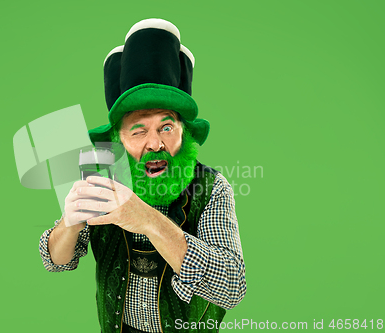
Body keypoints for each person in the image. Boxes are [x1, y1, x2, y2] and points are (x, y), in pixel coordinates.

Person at [39, 19, 246, 333]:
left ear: (185, 134)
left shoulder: (212, 187)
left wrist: (147, 219)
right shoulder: (102, 179)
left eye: (167, 127)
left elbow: (231, 286)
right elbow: (56, 261)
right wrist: (69, 222)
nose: (155, 143)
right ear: (118, 140)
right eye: (138, 131)